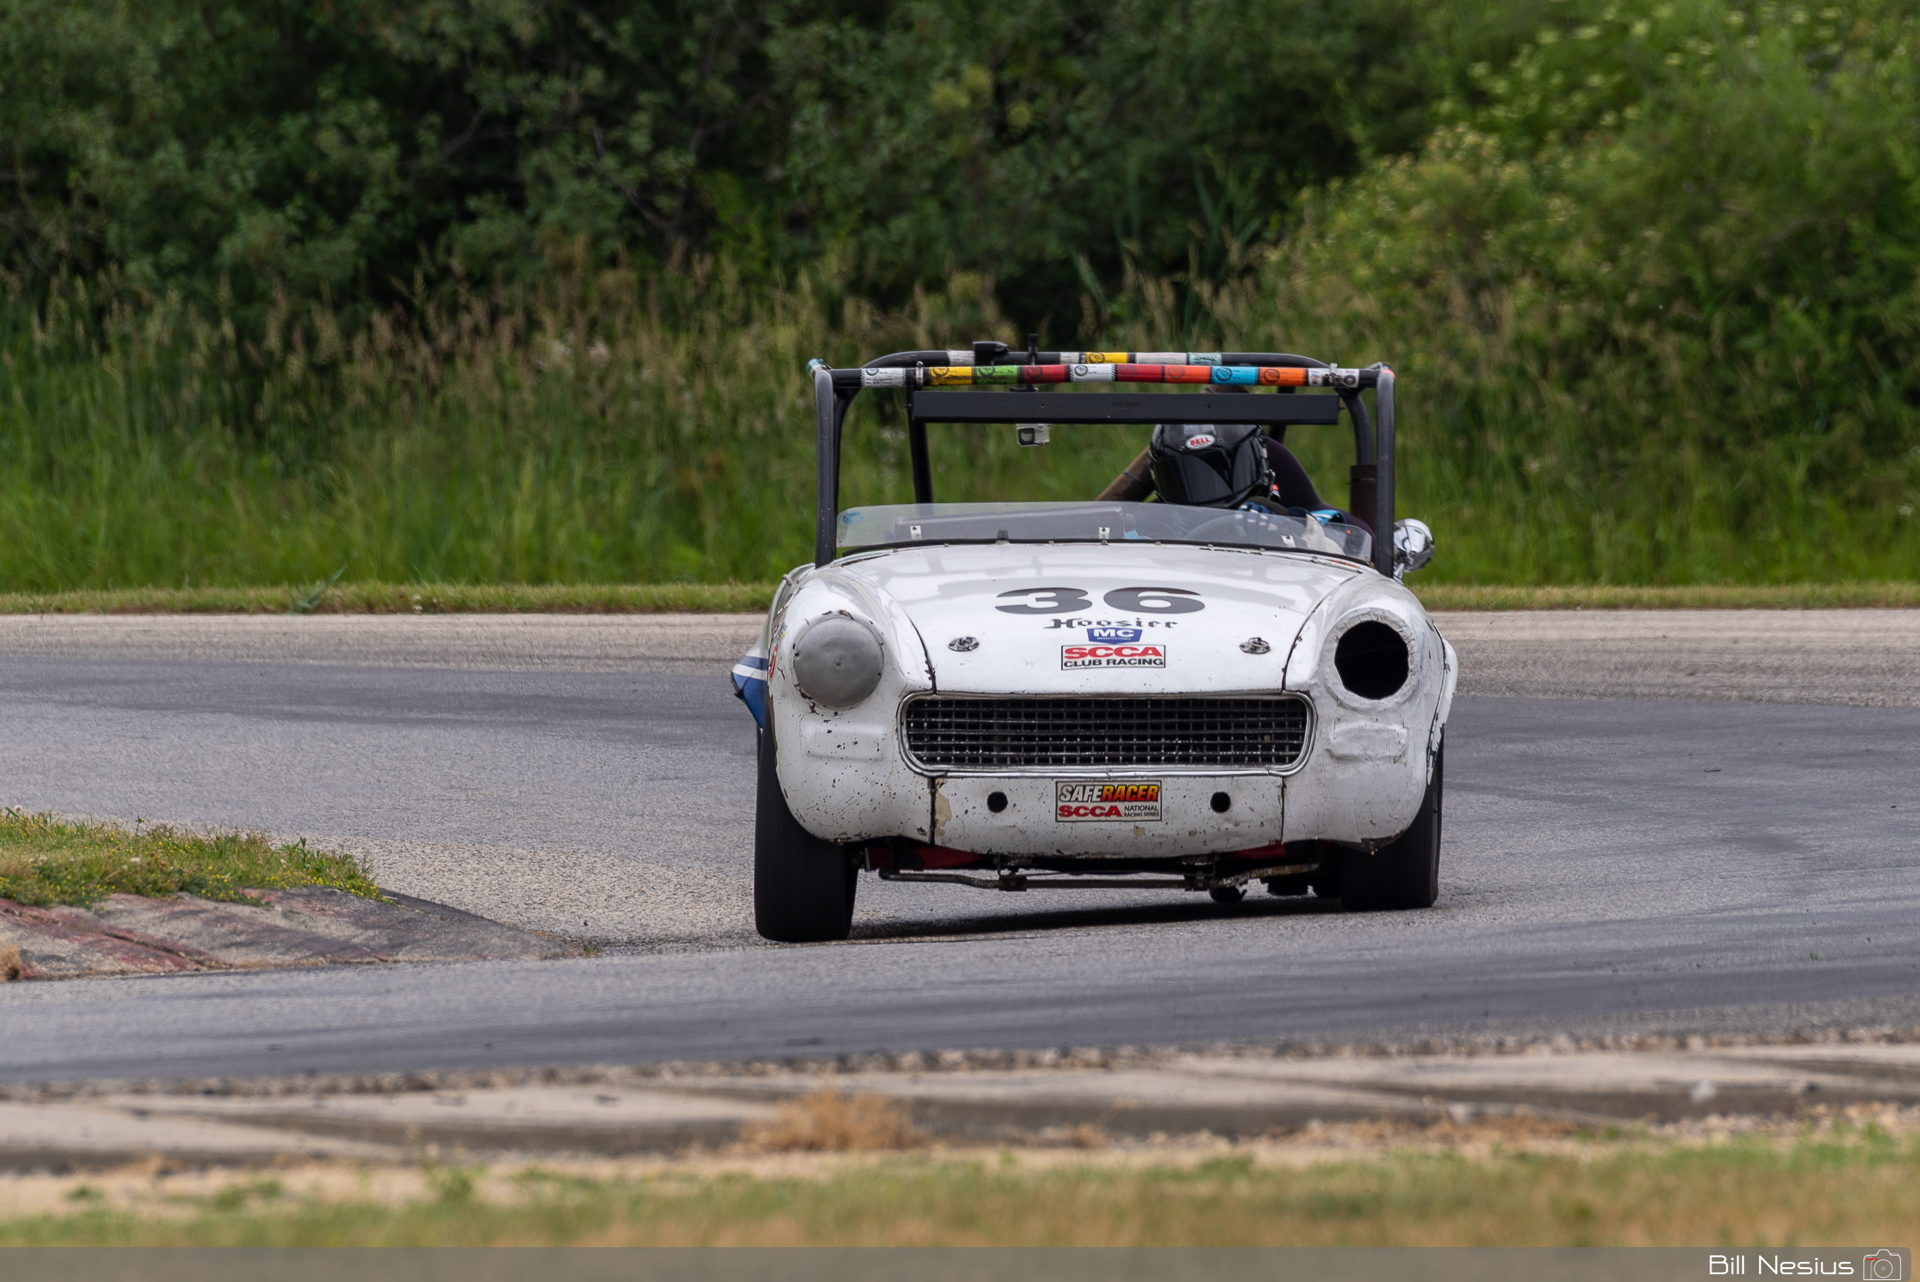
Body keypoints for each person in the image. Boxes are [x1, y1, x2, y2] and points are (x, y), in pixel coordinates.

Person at [1098, 422, 1372, 534]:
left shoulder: (1292, 521)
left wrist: (1287, 525)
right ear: (1161, 480)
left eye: (1223, 472)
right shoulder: (1146, 527)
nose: (1209, 490)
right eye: (1191, 478)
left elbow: (1355, 535)